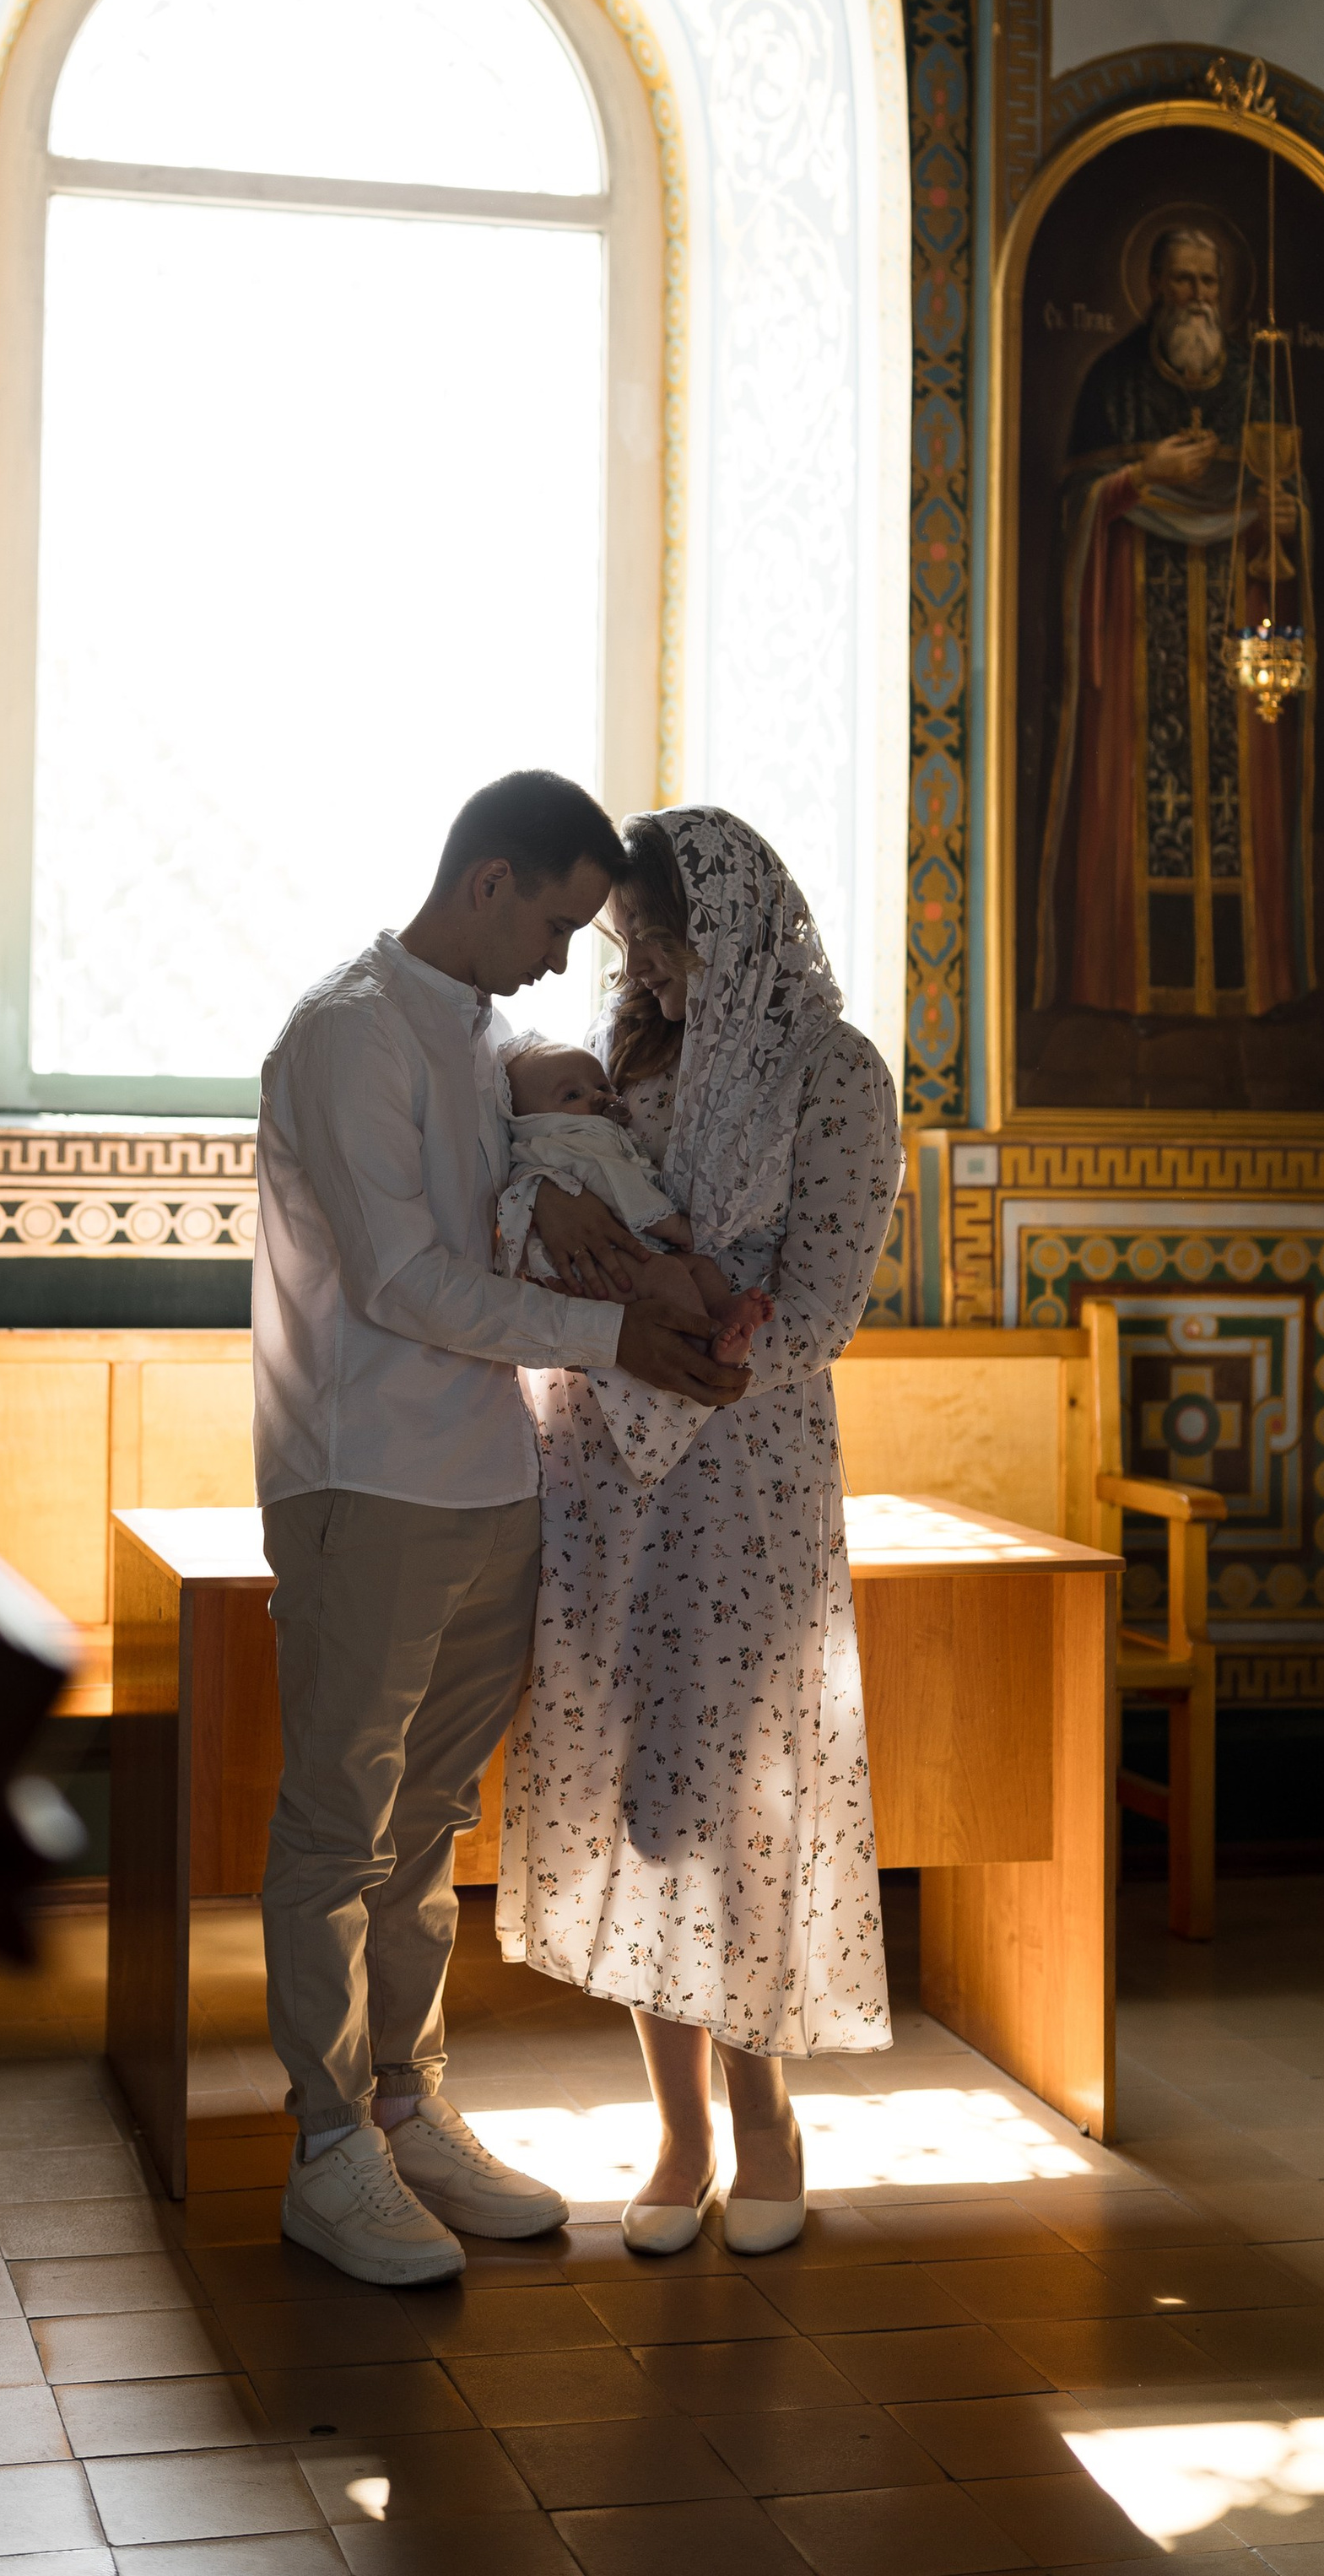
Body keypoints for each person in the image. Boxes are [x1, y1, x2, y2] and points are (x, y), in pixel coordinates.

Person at [253, 770, 748, 2288]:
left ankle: (408, 2109)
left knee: (426, 1829)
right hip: (365, 1474)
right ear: (488, 881)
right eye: (554, 924)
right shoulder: (349, 1034)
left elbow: (516, 1209)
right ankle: (327, 2146)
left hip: (489, 1478)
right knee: (339, 1823)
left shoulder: (485, 1039)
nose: (560, 960)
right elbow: (403, 1281)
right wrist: (613, 1336)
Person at [498, 807, 902, 2255]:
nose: (649, 975)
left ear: (731, 925)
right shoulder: (618, 1066)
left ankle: (767, 2113)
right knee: (640, 1793)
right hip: (604, 1469)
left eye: (666, 945)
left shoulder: (836, 1071)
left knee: (734, 1795)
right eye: (635, 950)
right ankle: (679, 2128)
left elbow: (825, 1299)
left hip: (745, 1468)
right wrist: (570, 1244)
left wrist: (700, 1349)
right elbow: (537, 1209)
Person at [1035, 220, 1311, 1018]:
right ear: (1155, 286)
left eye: (1209, 281)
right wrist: (1140, 475)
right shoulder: (1113, 380)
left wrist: (1287, 518)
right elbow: (1075, 503)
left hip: (1233, 622)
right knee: (1135, 794)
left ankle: (1247, 981)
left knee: (1237, 799)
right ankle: (1122, 981)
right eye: (1183, 280)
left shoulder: (1255, 383)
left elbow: (1285, 500)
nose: (1197, 296)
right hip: (1135, 629)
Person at [497, 1040, 772, 1363]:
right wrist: (674, 1227)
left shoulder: (585, 1136)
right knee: (669, 1274)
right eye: (572, 1095)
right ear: (532, 1119)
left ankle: (721, 1309)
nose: (597, 1096)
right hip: (587, 1264)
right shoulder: (569, 1142)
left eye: (602, 1086)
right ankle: (702, 1349)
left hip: (617, 1250)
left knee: (699, 1266)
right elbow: (619, 1186)